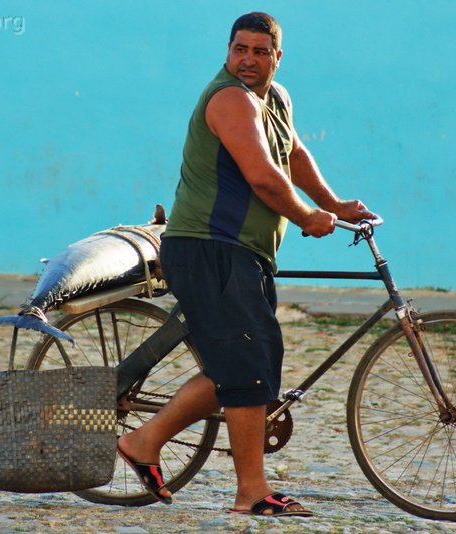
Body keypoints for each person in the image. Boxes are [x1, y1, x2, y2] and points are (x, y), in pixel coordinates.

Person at [117, 12, 373, 517]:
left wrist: (336, 204)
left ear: (278, 57)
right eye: (240, 49)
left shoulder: (274, 99)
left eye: (260, 52)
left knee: (242, 366)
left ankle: (144, 442)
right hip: (209, 247)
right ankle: (251, 493)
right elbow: (262, 176)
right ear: (227, 51)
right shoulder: (229, 99)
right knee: (248, 367)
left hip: (242, 253)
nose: (248, 61)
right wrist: (306, 216)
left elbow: (292, 155)